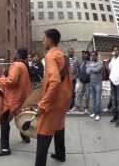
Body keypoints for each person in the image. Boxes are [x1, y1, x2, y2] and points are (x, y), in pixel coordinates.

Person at [35, 29, 72, 166]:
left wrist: (43, 104)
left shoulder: (50, 56)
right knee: (59, 126)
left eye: (44, 38)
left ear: (50, 40)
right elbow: (68, 78)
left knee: (43, 133)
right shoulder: (62, 54)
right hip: (63, 100)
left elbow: (55, 81)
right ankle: (60, 154)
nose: (42, 41)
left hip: (54, 101)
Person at [0, 48, 32, 156]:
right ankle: (25, 135)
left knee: (4, 121)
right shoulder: (24, 66)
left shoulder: (17, 65)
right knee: (19, 118)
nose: (13, 55)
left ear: (18, 55)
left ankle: (5, 149)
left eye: (15, 53)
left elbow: (11, 81)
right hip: (21, 98)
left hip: (13, 99)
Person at [87, 51, 103, 121]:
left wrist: (91, 68)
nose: (92, 57)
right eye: (91, 55)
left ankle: (98, 114)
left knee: (98, 99)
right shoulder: (90, 63)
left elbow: (97, 70)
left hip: (98, 83)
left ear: (97, 56)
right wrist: (92, 68)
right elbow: (87, 71)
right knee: (93, 99)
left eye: (94, 55)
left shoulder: (100, 62)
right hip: (92, 83)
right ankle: (94, 112)